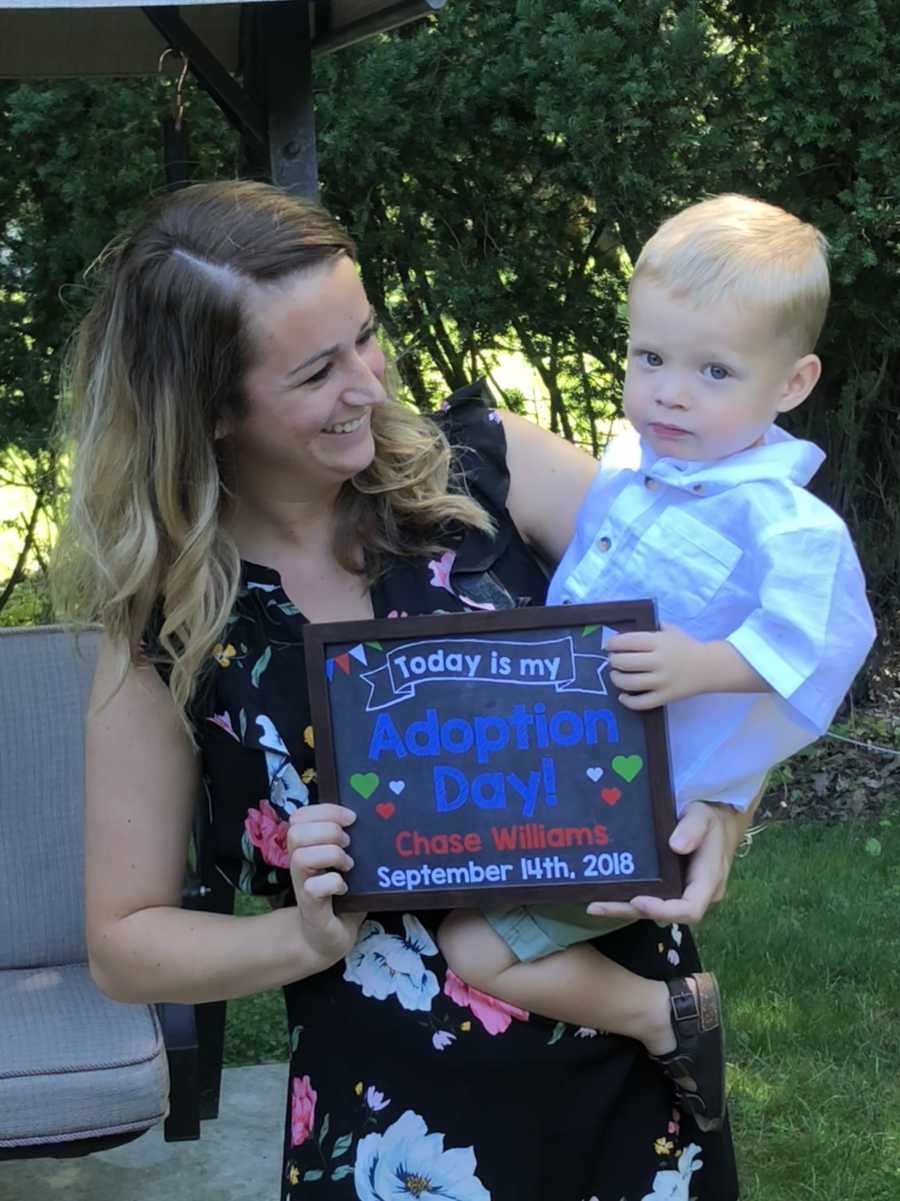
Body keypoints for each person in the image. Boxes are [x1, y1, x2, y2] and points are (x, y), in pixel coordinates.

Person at [55, 180, 754, 1201]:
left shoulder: (493, 475)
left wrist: (730, 802)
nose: (370, 386)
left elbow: (750, 619)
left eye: (366, 338)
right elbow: (125, 944)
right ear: (208, 409)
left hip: (634, 1071)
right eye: (315, 371)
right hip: (390, 1129)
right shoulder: (169, 631)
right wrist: (295, 935)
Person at [437, 194, 876, 1133]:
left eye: (715, 370)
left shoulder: (785, 522)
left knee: (475, 943)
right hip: (571, 769)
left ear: (792, 383)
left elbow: (827, 636)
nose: (672, 390)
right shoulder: (640, 482)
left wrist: (705, 663)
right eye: (651, 359)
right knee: (436, 856)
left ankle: (666, 1015)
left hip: (645, 807)